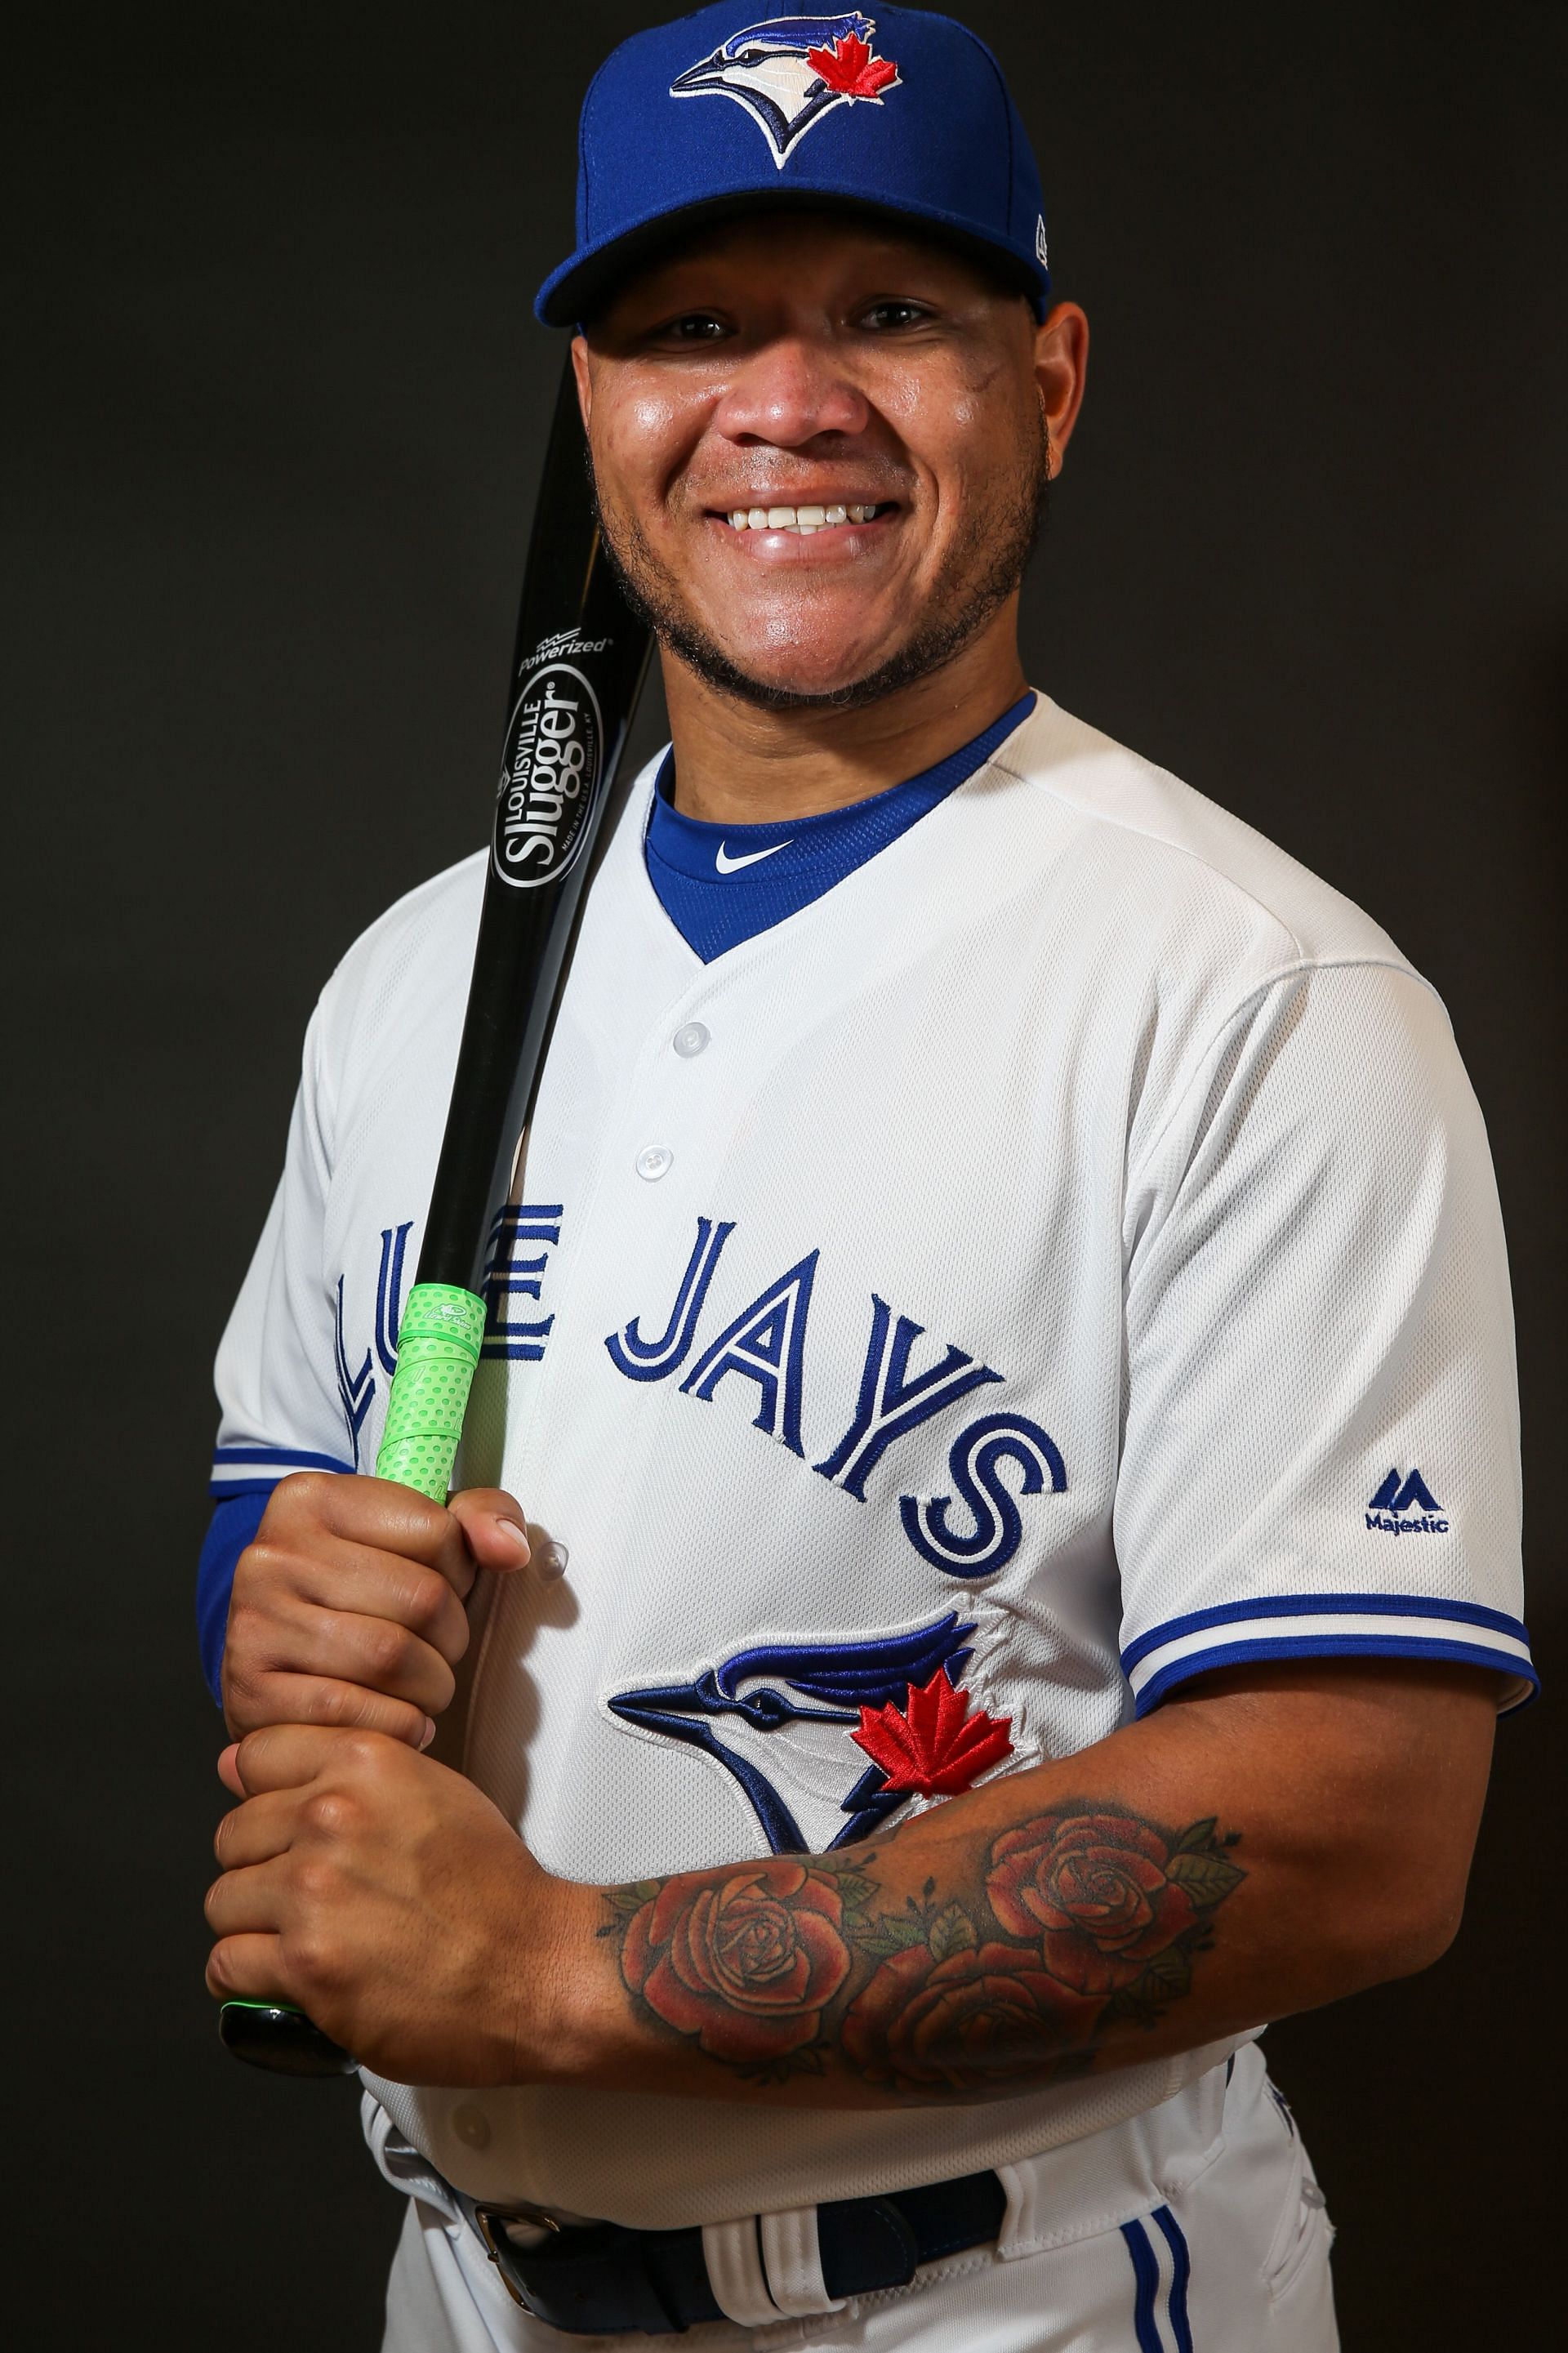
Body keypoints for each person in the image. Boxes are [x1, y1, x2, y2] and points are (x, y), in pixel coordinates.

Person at [198, 10, 1530, 2349]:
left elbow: (1352, 1820)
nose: (783, 401)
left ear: (1056, 381)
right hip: (462, 2290)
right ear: (596, 403)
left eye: (889, 314)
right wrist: (288, 1598)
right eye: (693, 326)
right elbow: (283, 1495)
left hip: (1005, 2296)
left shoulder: (1258, 999)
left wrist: (566, 1966)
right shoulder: (413, 984)